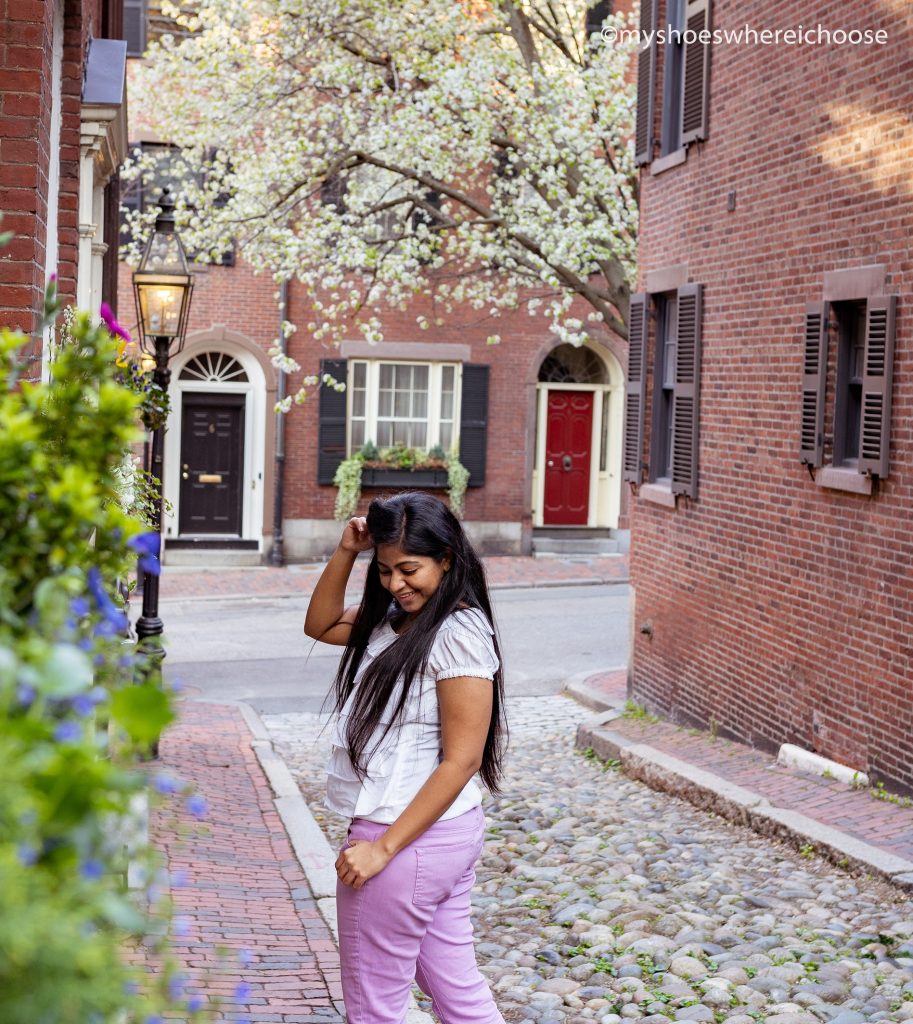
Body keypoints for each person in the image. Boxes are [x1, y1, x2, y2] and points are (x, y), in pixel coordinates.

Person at [304, 491, 507, 1024]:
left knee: (375, 1009)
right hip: (440, 836)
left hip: (401, 837)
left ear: (446, 558)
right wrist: (348, 550)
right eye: (386, 570)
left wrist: (381, 851)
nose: (397, 583)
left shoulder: (456, 633)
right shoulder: (392, 620)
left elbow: (461, 760)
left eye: (410, 569)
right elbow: (320, 624)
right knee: (459, 996)